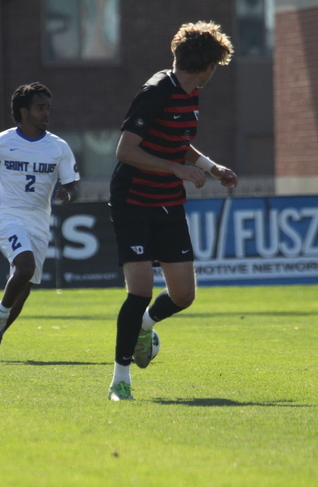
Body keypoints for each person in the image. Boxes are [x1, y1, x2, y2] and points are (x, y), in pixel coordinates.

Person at [107, 21, 237, 401]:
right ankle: (120, 379)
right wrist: (178, 170)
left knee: (183, 295)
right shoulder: (156, 91)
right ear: (208, 65)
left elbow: (179, 144)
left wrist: (213, 168)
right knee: (141, 290)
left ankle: (145, 327)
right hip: (133, 199)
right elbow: (125, 151)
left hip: (167, 201)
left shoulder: (190, 92)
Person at [0, 83, 79, 361]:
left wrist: (66, 195)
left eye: (47, 107)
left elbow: (72, 186)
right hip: (7, 215)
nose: (46, 113)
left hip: (38, 221)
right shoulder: (0, 142)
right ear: (23, 111)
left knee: (25, 287)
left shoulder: (59, 147)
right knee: (24, 266)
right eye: (39, 108)